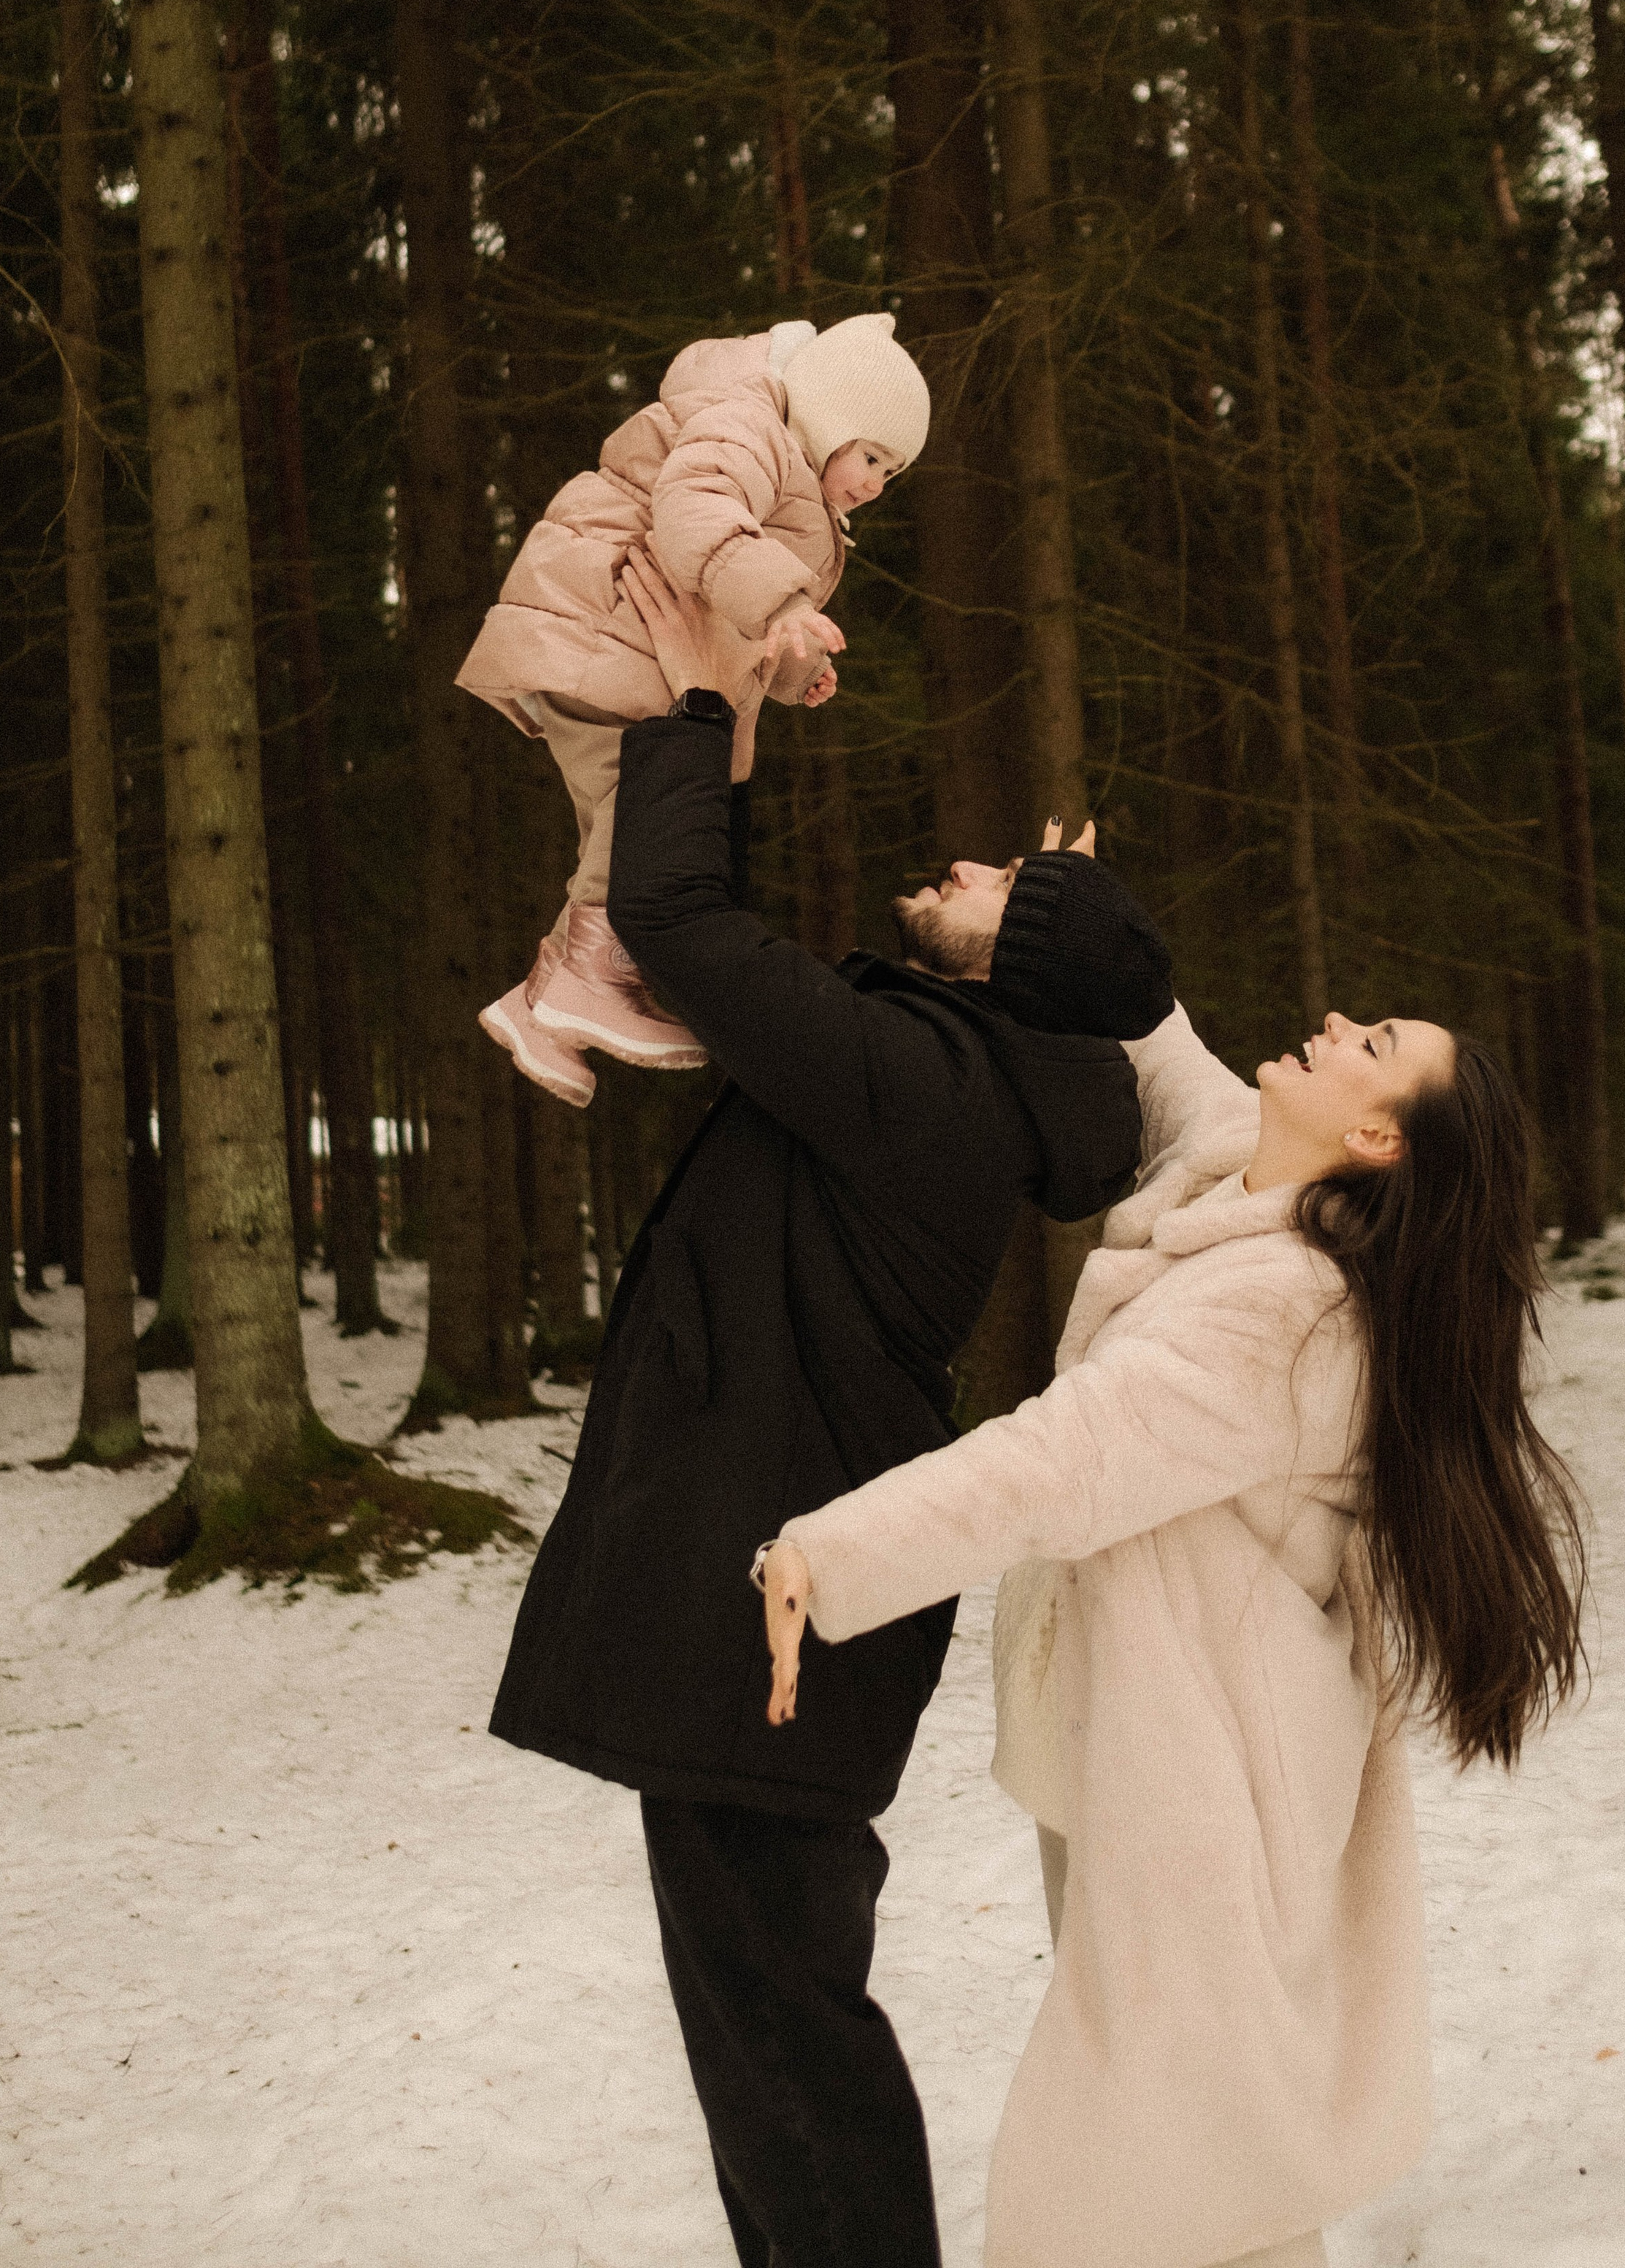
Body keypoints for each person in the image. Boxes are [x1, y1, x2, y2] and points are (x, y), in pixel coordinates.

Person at [486, 560, 1178, 2268]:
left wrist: (698, 682)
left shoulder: (927, 1087)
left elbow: (682, 921)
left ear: (1019, 959)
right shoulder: (967, 1071)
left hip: (774, 1609)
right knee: (771, 2025)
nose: (958, 862)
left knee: (783, 2039)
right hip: (782, 1596)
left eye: (998, 878)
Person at [760, 995, 1588, 2268]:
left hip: (1201, 1797)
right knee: (1210, 2162)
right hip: (1150, 1755)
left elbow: (1063, 1460)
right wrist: (1073, 947)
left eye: (1372, 1046)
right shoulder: (1267, 1202)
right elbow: (1186, 1080)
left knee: (1148, 2180)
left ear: (1375, 1137)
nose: (1335, 1020)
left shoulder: (1280, 1318)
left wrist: (830, 1553)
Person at [457, 310, 928, 1091]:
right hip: (605, 631)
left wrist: (789, 666)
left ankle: (540, 1009)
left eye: (893, 473)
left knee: (616, 825)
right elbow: (696, 514)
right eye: (871, 455)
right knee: (639, 810)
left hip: (627, 653)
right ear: (829, 416)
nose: (875, 484)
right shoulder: (748, 426)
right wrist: (781, 605)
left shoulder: (790, 475)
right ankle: (594, 978)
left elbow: (732, 608)